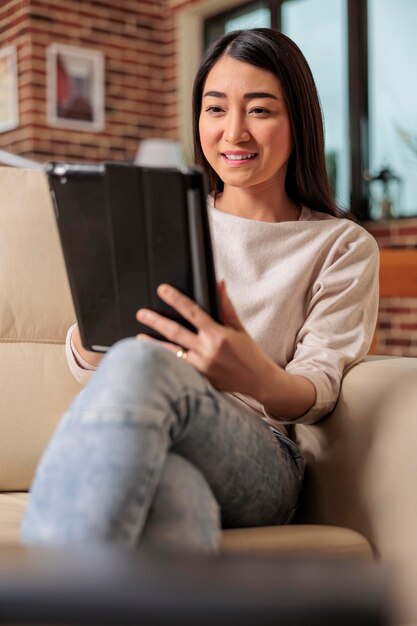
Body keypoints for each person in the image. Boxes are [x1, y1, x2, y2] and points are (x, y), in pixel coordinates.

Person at [21, 28, 379, 551]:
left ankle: (39, 594)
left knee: (144, 369)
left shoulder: (341, 246)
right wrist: (106, 327)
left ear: (298, 121)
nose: (234, 133)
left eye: (259, 110)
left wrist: (252, 373)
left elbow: (318, 391)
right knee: (172, 494)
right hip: (160, 441)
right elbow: (87, 358)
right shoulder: (166, 217)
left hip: (263, 461)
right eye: (215, 109)